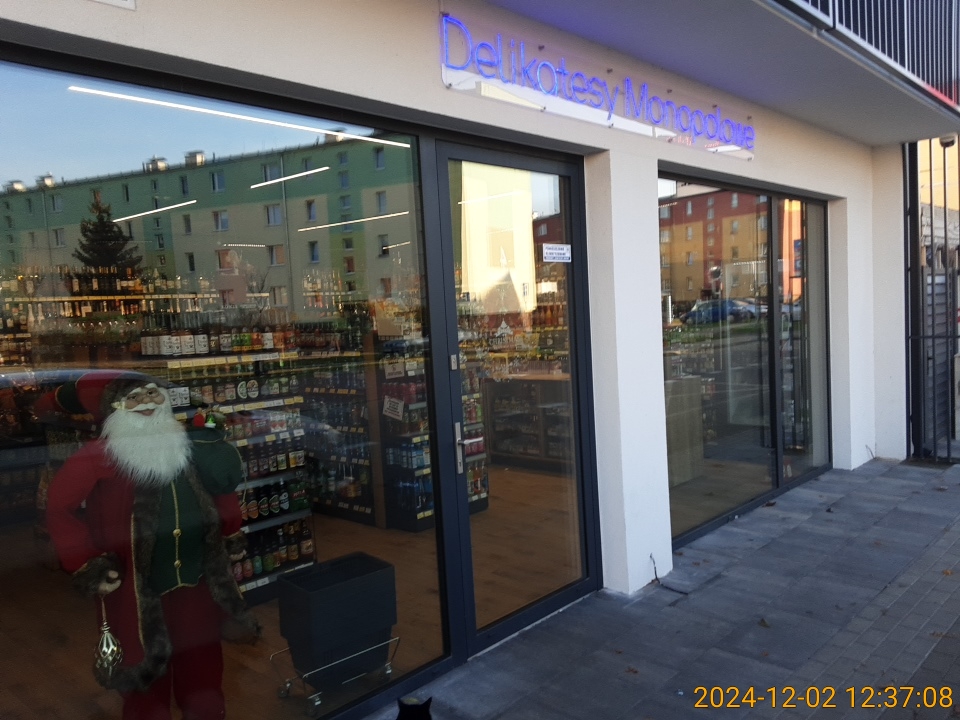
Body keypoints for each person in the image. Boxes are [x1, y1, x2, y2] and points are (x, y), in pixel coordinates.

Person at [43, 371, 259, 720]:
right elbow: (59, 507)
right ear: (114, 408)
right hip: (134, 586)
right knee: (143, 665)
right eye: (134, 397)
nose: (146, 402)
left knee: (201, 660)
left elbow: (220, 491)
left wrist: (230, 530)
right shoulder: (98, 455)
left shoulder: (187, 443)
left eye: (153, 394)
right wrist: (87, 562)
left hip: (196, 579)